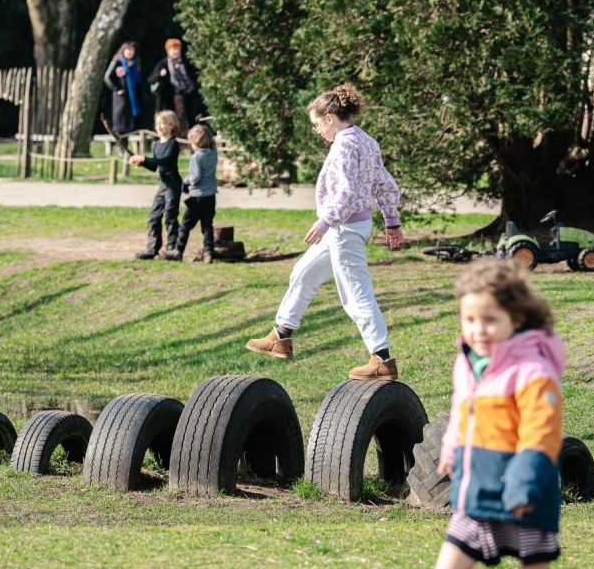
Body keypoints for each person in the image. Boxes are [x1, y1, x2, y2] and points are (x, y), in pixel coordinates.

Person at [415, 259, 588, 569]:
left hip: (525, 501)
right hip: (476, 497)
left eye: (489, 320)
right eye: (469, 319)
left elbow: (540, 435)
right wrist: (452, 448)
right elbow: (462, 411)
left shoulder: (534, 373)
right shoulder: (468, 362)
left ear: (516, 317)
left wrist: (522, 486)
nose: (478, 330)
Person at [244, 82, 404, 379]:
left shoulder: (344, 144)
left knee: (356, 294)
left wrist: (325, 221)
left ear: (330, 118)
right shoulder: (366, 140)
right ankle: (281, 336)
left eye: (317, 124)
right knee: (303, 273)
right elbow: (385, 182)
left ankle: (381, 357)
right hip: (346, 227)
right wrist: (391, 220)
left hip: (344, 228)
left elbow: (346, 192)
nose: (317, 130)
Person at [129, 110, 183, 260]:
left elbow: (165, 161)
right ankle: (152, 249)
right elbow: (154, 166)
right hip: (163, 185)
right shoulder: (156, 145)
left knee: (170, 217)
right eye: (158, 123)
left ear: (172, 126)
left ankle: (172, 249)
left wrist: (144, 159)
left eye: (163, 123)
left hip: (173, 185)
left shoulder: (173, 144)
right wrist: (142, 163)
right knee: (153, 217)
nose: (159, 126)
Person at [175, 123, 218, 263]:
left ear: (195, 142)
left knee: (185, 225)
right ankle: (209, 252)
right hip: (210, 196)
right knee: (207, 225)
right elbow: (214, 143)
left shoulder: (196, 157)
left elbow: (195, 177)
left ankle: (178, 250)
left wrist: (186, 181)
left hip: (197, 196)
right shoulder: (213, 152)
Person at [149, 38, 207, 127]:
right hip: (171, 95)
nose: (175, 51)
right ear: (168, 51)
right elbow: (151, 79)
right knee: (176, 116)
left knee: (191, 116)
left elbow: (194, 75)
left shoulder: (185, 61)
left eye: (177, 49)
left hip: (188, 93)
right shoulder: (163, 63)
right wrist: (160, 74)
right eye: (173, 49)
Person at [103, 41, 143, 135]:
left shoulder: (135, 64)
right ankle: (119, 138)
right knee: (120, 117)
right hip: (120, 95)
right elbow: (107, 77)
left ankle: (128, 135)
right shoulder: (117, 62)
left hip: (132, 95)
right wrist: (117, 89)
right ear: (123, 51)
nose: (130, 52)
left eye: (132, 50)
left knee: (129, 120)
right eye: (128, 50)